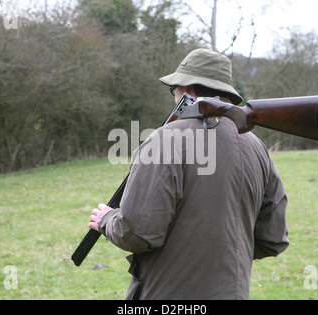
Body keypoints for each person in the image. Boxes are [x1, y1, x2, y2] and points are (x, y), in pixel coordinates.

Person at [88, 48, 289, 300]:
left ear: (188, 91)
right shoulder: (257, 147)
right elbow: (273, 239)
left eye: (175, 89)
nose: (174, 96)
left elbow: (137, 233)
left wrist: (107, 220)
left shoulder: (166, 138)